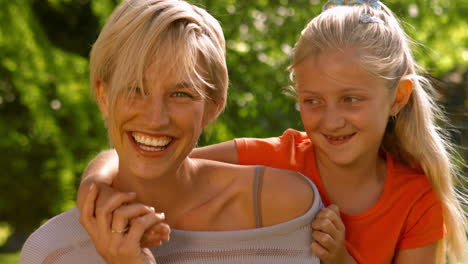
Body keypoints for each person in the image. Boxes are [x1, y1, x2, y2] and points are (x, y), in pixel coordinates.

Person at [76, 0, 468, 263]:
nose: (331, 120)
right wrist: (94, 184)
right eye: (313, 101)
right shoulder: (274, 158)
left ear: (398, 98)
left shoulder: (417, 199)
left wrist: (341, 260)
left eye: (351, 100)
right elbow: (159, 158)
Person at [19, 0, 324, 263]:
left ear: (213, 106)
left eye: (181, 94)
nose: (155, 119)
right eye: (135, 89)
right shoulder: (51, 252)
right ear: (103, 96)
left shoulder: (286, 209)